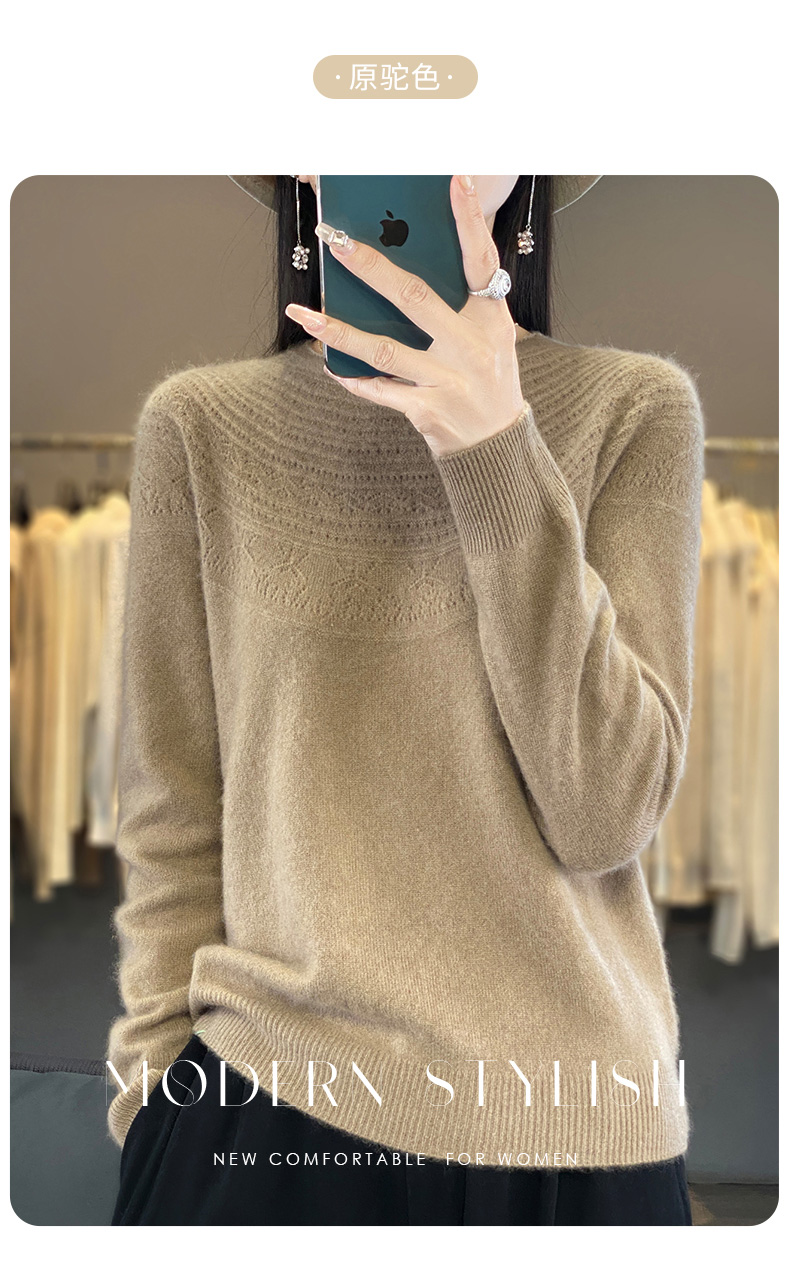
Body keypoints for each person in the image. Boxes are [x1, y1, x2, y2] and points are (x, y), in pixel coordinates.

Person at [107, 175, 700, 1226]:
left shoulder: (636, 409)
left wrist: (494, 448)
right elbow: (172, 808)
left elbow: (605, 812)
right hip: (265, 1107)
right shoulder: (201, 428)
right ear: (303, 170)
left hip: (573, 1124)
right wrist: (153, 1098)